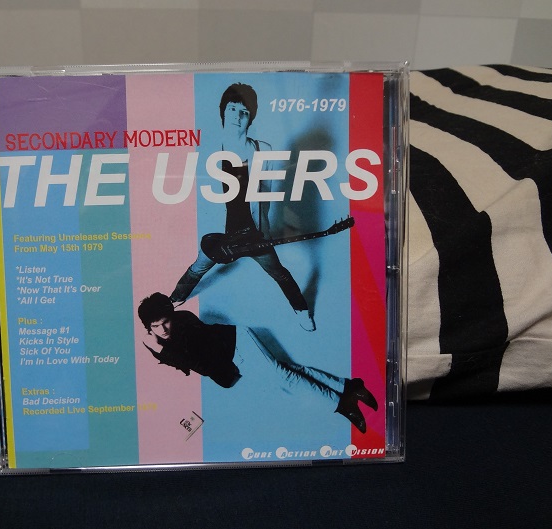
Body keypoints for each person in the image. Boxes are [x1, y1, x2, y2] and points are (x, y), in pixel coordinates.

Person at [169, 83, 315, 331]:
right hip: (222, 235)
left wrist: (264, 230)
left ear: (251, 118)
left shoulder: (263, 150)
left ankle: (301, 310)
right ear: (223, 112)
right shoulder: (207, 151)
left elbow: (266, 192)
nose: (237, 116)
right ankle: (175, 298)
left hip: (254, 233)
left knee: (278, 272)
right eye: (232, 109)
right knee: (198, 267)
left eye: (244, 112)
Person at [137, 293, 377, 433]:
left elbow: (201, 365)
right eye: (156, 326)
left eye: (166, 321)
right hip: (232, 358)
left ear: (172, 316)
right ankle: (349, 386)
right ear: (149, 328)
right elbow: (186, 364)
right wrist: (161, 350)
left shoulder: (185, 324)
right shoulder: (163, 342)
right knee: (289, 371)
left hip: (239, 342)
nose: (163, 329)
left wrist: (161, 349)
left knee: (285, 377)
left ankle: (342, 403)